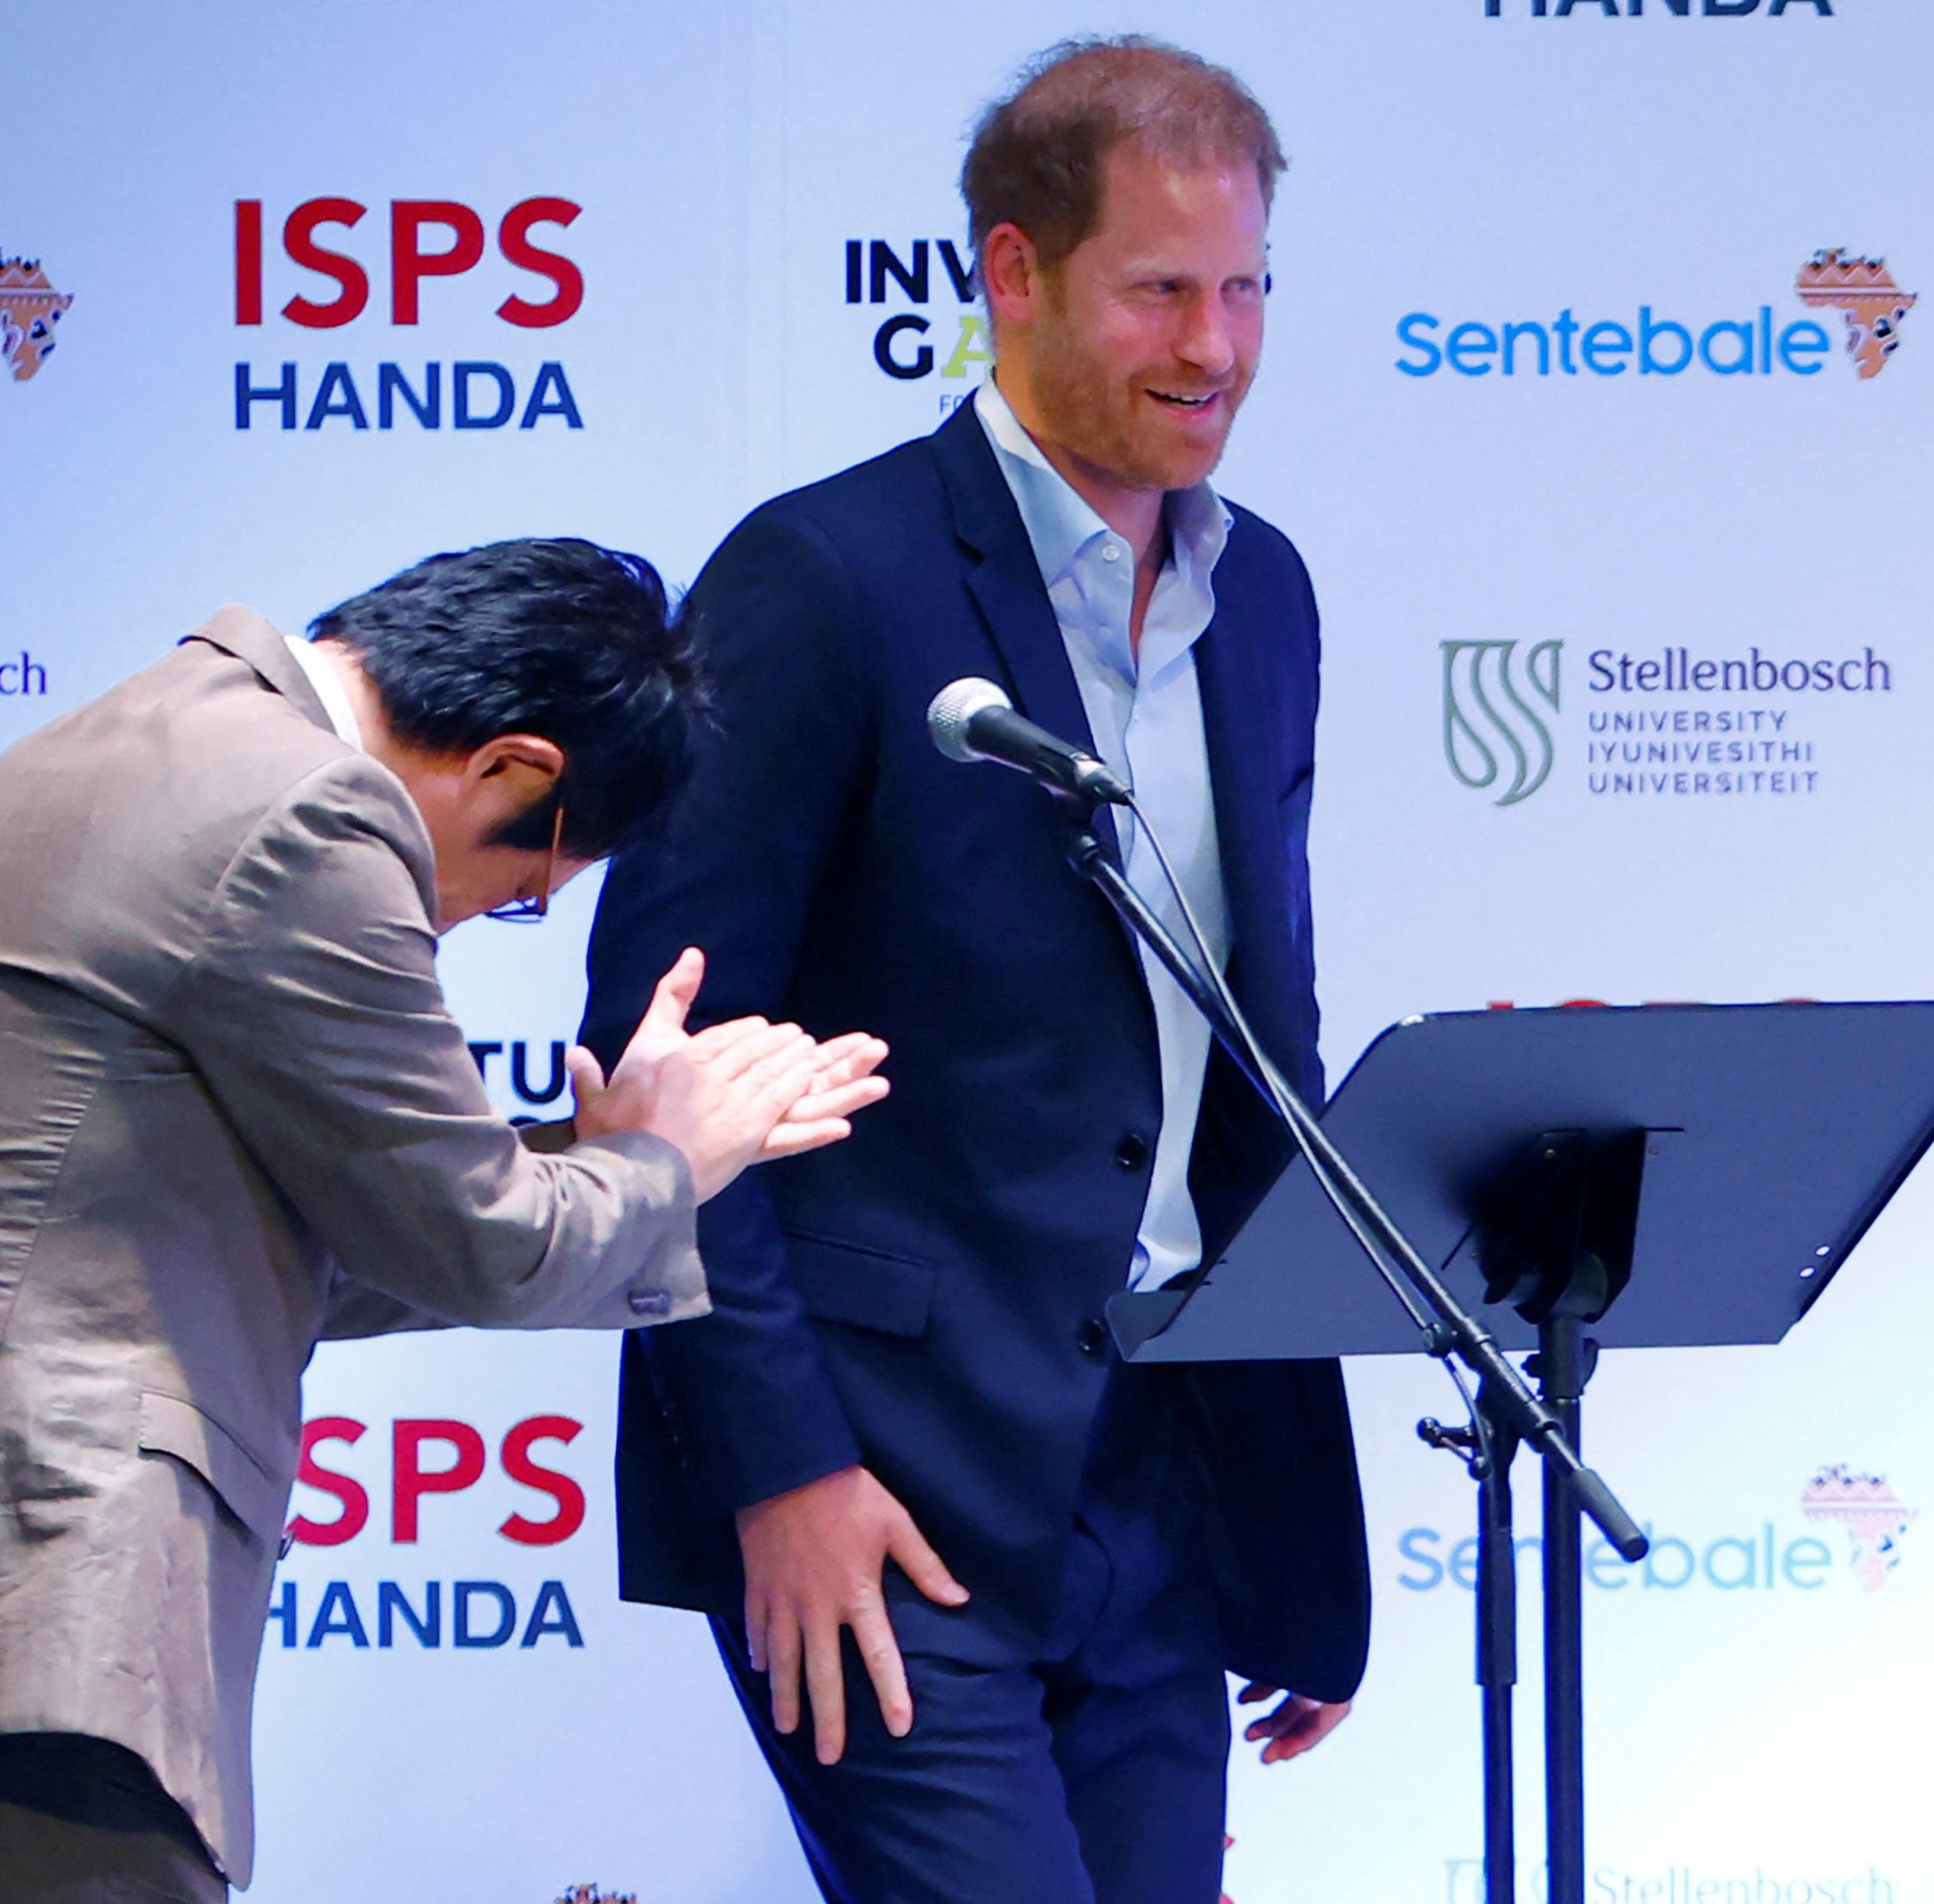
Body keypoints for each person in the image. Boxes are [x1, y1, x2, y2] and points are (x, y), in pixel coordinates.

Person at [0, 537, 890, 1902]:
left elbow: (276, 1238)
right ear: (512, 770)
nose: (491, 916)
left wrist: (590, 1158)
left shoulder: (123, 734)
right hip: (24, 1615)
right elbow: (489, 1246)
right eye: (534, 885)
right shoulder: (310, 818)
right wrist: (670, 1160)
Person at [581, 40, 1368, 1904]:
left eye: (1246, 287)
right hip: (880, 1490)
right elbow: (662, 1058)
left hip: (1166, 1484)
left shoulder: (1264, 594)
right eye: (1160, 291)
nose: (1216, 347)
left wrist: (1291, 1531)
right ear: (1015, 274)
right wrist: (778, 1470)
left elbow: (1251, 1065)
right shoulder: (823, 574)